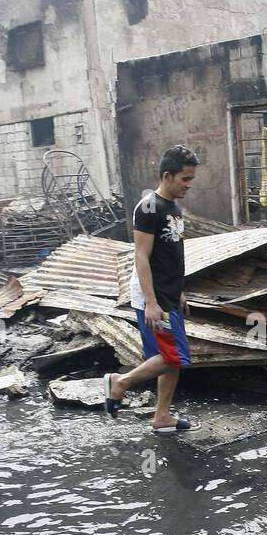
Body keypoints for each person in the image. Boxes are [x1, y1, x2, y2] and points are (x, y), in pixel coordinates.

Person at [104, 145, 202, 434]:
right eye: (185, 179)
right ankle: (119, 383)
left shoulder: (173, 207)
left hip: (169, 293)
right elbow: (141, 256)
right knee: (175, 357)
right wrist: (151, 301)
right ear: (167, 176)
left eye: (191, 179)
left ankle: (162, 416)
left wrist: (180, 291)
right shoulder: (149, 207)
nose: (189, 185)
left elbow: (171, 255)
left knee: (168, 359)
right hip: (154, 295)